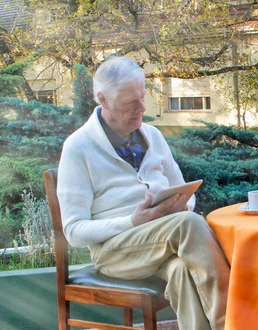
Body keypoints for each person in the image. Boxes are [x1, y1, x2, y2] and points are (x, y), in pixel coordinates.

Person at [57, 56, 229, 330]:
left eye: (142, 97)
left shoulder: (153, 136)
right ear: (103, 99)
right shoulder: (78, 147)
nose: (142, 108)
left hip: (160, 243)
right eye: (130, 103)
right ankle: (233, 324)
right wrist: (134, 221)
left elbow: (187, 192)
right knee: (189, 223)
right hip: (114, 252)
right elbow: (74, 232)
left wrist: (178, 207)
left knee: (182, 271)